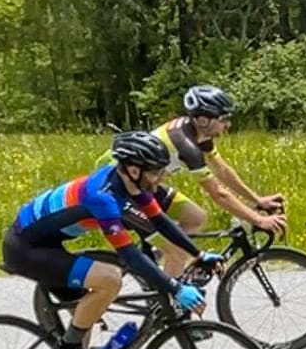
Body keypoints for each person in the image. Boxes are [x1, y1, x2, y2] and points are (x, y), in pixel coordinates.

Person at [4, 131, 219, 349]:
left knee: (85, 314)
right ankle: (68, 347)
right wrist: (176, 288)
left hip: (47, 243)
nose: (161, 177)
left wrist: (198, 254)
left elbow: (160, 221)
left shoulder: (129, 183)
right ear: (134, 170)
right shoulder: (102, 197)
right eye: (155, 172)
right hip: (25, 249)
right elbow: (129, 255)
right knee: (110, 279)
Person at [115, 84, 287, 280]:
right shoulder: (187, 145)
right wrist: (258, 220)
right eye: (223, 119)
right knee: (178, 251)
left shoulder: (199, 134)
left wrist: (257, 200)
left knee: (196, 218)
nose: (228, 125)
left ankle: (152, 262)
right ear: (203, 120)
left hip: (143, 186)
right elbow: (218, 194)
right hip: (121, 190)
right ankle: (166, 295)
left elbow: (222, 170)